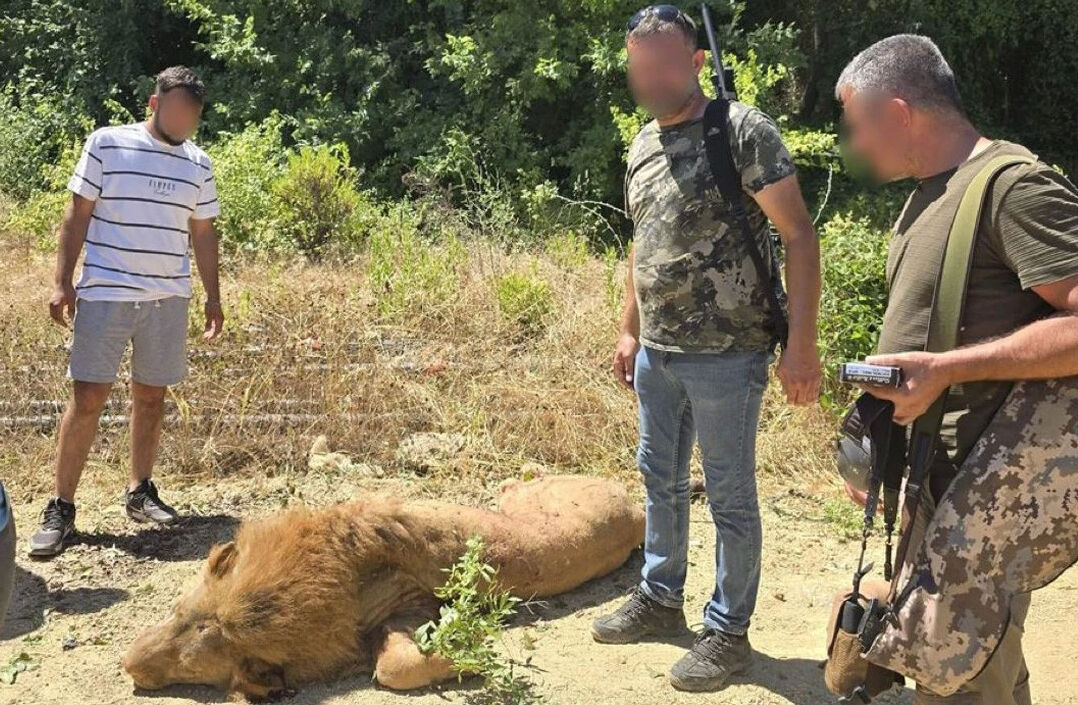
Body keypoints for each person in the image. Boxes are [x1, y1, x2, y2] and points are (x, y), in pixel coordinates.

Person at [835, 35, 1078, 705]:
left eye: (856, 125)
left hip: (985, 494)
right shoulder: (926, 197)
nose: (853, 143)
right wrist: (876, 450)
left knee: (963, 677)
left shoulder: (1014, 186)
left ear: (898, 111)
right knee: (969, 667)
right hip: (931, 483)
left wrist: (946, 369)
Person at [590, 5, 822, 692]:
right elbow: (642, 242)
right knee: (658, 478)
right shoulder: (639, 144)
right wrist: (628, 328)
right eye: (640, 67)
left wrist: (801, 348)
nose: (651, 78)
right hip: (658, 353)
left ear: (695, 62)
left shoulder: (741, 131)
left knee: (728, 494)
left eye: (665, 64)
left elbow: (799, 235)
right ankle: (661, 598)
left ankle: (728, 631)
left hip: (730, 353)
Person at [29, 66, 225, 558]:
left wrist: (213, 296)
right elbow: (77, 213)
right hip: (106, 291)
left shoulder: (198, 164)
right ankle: (61, 507)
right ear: (154, 104)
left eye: (192, 115)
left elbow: (203, 233)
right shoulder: (107, 143)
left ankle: (140, 491)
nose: (183, 121)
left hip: (167, 297)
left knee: (152, 398)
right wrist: (62, 281)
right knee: (89, 396)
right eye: (176, 109)